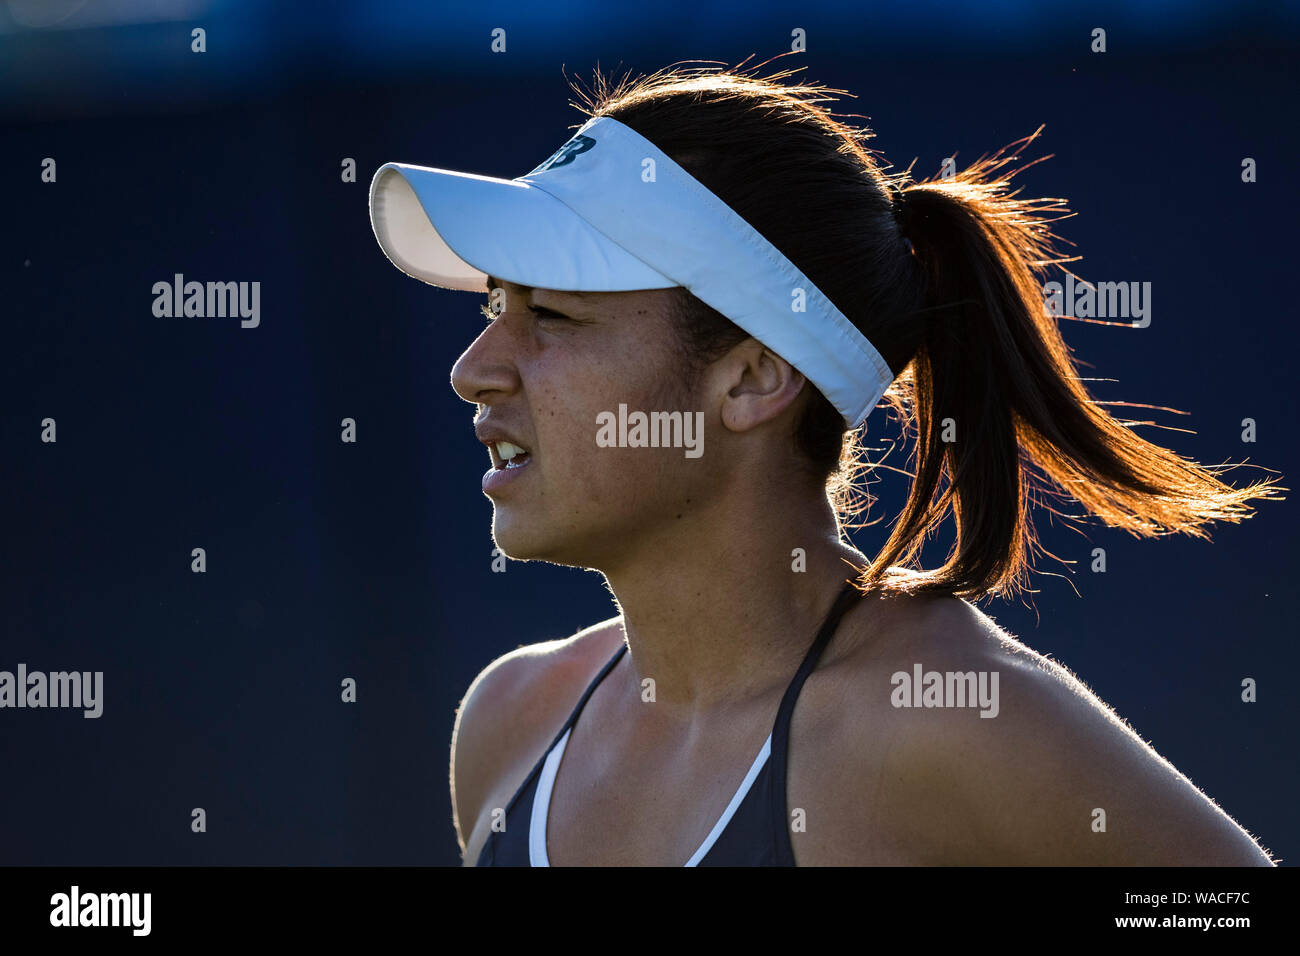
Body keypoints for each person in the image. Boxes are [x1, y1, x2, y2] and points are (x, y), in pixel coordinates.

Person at [368, 61, 1284, 865]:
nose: (472, 371)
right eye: (495, 306)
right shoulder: (511, 722)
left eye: (555, 317)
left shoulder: (947, 723)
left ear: (755, 378)